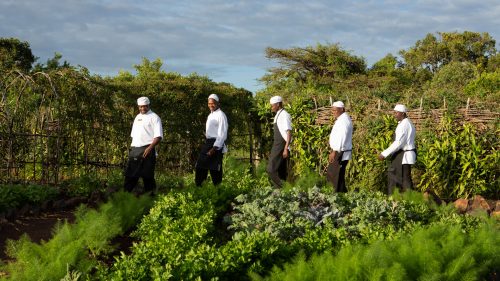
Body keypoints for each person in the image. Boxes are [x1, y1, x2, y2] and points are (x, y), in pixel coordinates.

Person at [124, 96, 163, 195]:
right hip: (135, 149)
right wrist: (132, 149)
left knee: (148, 177)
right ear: (138, 106)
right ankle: (124, 196)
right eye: (140, 107)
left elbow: (158, 137)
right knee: (130, 175)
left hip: (148, 150)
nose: (142, 108)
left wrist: (149, 148)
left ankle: (151, 200)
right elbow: (134, 136)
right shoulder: (137, 117)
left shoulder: (155, 117)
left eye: (144, 106)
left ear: (148, 105)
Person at [378, 104, 416, 194]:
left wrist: (384, 154)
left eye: (396, 113)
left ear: (402, 113)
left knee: (397, 179)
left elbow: (398, 143)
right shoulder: (407, 123)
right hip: (405, 155)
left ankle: (396, 199)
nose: (395, 115)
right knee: (405, 179)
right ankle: (408, 200)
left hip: (403, 155)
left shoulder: (404, 125)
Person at [195, 94, 228, 186]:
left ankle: (218, 191)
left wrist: (214, 148)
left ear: (218, 103)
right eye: (209, 103)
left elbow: (222, 134)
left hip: (216, 144)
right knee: (200, 166)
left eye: (213, 103)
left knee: (215, 170)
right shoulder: (210, 115)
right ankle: (200, 188)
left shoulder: (221, 115)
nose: (210, 105)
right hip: (208, 143)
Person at [326, 101, 353, 192]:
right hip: (339, 151)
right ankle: (342, 196)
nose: (333, 112)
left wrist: (335, 151)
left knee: (332, 174)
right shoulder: (342, 119)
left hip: (340, 152)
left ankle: (333, 196)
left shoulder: (344, 121)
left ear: (341, 109)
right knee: (339, 176)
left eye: (335, 110)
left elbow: (342, 136)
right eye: (332, 110)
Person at [266, 96, 292, 188]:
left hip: (281, 144)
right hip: (277, 143)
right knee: (281, 170)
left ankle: (285, 188)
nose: (271, 107)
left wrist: (286, 148)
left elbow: (289, 132)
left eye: (272, 105)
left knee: (271, 169)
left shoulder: (284, 115)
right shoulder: (278, 114)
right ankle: (281, 193)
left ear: (278, 104)